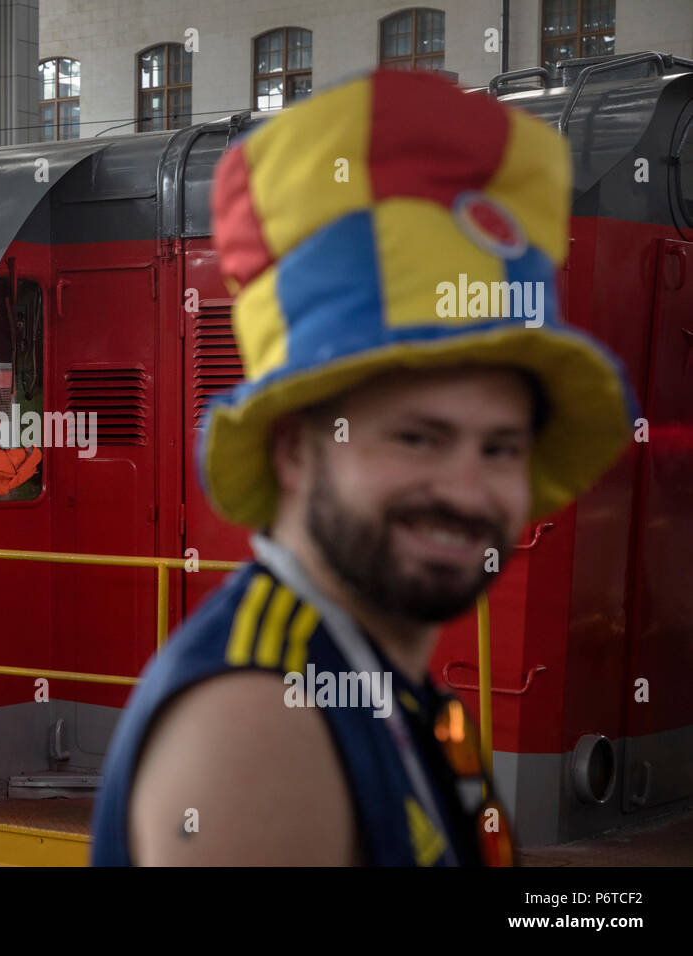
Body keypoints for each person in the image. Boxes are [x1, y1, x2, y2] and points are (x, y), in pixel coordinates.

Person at [89, 70, 636, 866]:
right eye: (417, 438)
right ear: (294, 449)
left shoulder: (407, 695)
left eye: (501, 447)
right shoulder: (260, 728)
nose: (465, 487)